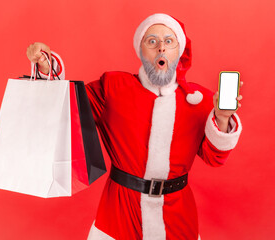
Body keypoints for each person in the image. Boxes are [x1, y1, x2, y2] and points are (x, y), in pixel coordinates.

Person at [26, 13, 243, 240]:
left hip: (178, 212)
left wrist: (222, 117)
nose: (161, 48)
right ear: (141, 50)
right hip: (120, 210)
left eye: (169, 41)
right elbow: (69, 107)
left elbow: (214, 158)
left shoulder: (200, 100)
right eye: (152, 41)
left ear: (178, 51)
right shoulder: (112, 88)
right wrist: (45, 66)